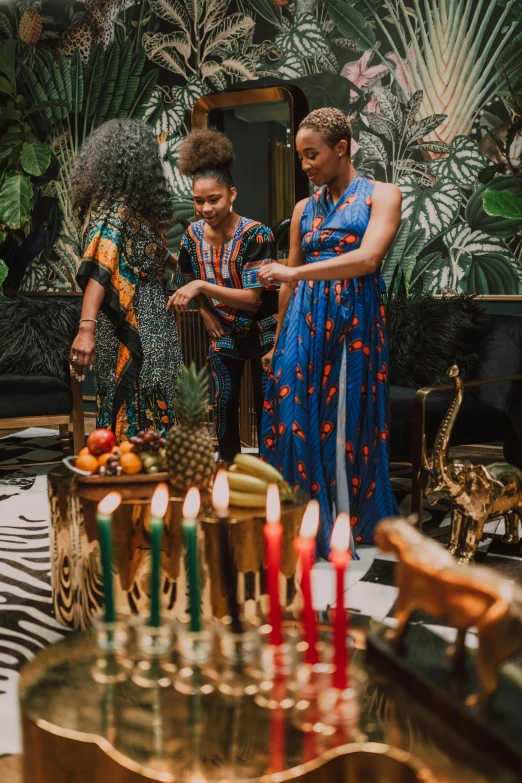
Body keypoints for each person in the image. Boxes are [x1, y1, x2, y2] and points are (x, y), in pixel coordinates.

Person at [258, 108, 401, 558]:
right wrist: (277, 339)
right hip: (303, 317)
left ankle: (343, 520)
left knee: (343, 412)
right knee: (291, 407)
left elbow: (367, 260)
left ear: (342, 148)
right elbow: (290, 279)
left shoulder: (383, 194)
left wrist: (291, 272)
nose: (305, 166)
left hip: (354, 317)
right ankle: (300, 517)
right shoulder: (305, 208)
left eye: (311, 155)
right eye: (300, 156)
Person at [168, 128, 278, 462]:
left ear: (231, 194)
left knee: (264, 402)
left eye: (213, 199)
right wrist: (205, 311)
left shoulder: (256, 234)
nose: (205, 208)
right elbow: (186, 277)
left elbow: (252, 298)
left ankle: (267, 472)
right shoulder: (191, 235)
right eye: (198, 201)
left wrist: (201, 288)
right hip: (224, 331)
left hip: (265, 331)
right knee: (224, 402)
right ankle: (228, 471)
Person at [69, 119, 182, 442]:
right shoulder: (114, 213)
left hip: (156, 322)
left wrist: (192, 267)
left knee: (156, 390)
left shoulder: (143, 213)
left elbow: (161, 259)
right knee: (133, 393)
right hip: (126, 324)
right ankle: (130, 470)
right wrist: (85, 329)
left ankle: (152, 470)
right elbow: (99, 271)